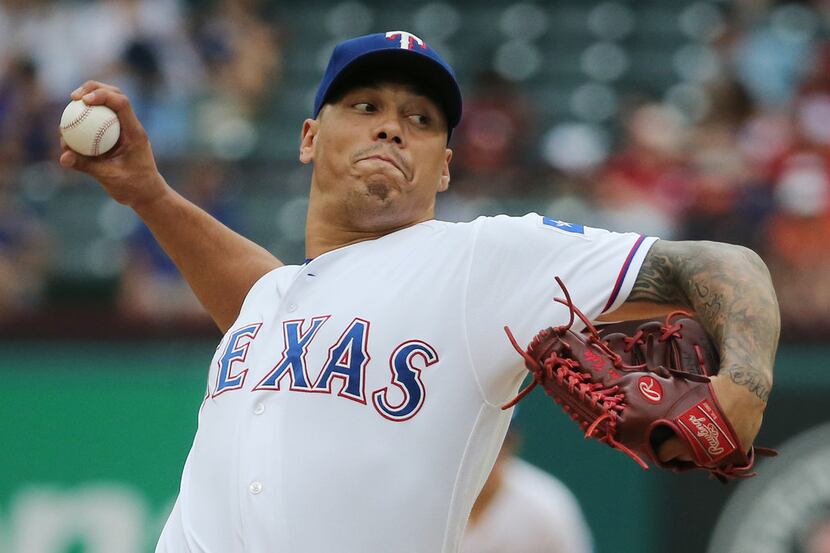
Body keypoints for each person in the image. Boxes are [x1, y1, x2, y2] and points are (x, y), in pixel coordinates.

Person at [58, 31, 779, 553]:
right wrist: (148, 193)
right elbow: (268, 294)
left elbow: (722, 262)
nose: (392, 127)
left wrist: (741, 388)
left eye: (421, 119)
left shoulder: (479, 262)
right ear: (309, 137)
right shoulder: (275, 300)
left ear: (444, 168)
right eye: (365, 104)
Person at [462, 429, 593, 553]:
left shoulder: (547, 505)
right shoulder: (441, 496)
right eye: (473, 442)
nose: (485, 453)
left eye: (497, 440)